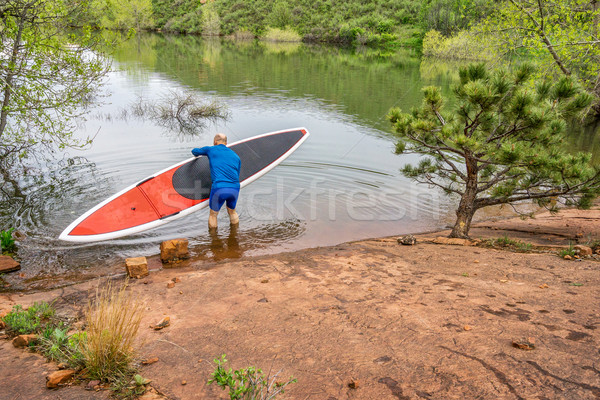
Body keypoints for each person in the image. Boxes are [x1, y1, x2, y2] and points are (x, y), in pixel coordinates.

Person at [192, 133, 241, 230]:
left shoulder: (211, 149)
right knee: (232, 211)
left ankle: (214, 239)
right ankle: (235, 233)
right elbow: (237, 173)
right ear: (226, 143)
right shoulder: (236, 156)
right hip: (235, 187)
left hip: (219, 187)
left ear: (215, 142)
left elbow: (195, 151)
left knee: (213, 214)